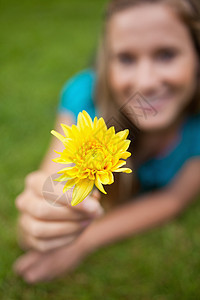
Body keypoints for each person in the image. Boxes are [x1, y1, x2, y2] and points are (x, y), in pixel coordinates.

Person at [13, 0, 200, 283]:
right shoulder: (85, 103)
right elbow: (54, 182)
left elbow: (172, 199)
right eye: (126, 58)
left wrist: (84, 242)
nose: (146, 82)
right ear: (106, 63)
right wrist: (40, 213)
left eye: (166, 54)